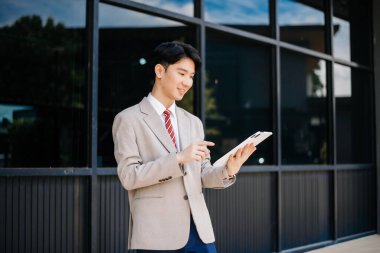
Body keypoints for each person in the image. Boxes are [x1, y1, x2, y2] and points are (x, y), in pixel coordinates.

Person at [112, 41, 256, 253]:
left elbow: (202, 174)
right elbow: (129, 176)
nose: (187, 82)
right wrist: (178, 158)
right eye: (182, 73)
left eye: (191, 76)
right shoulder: (128, 119)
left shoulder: (193, 122)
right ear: (159, 70)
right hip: (158, 235)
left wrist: (229, 169)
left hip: (199, 232)